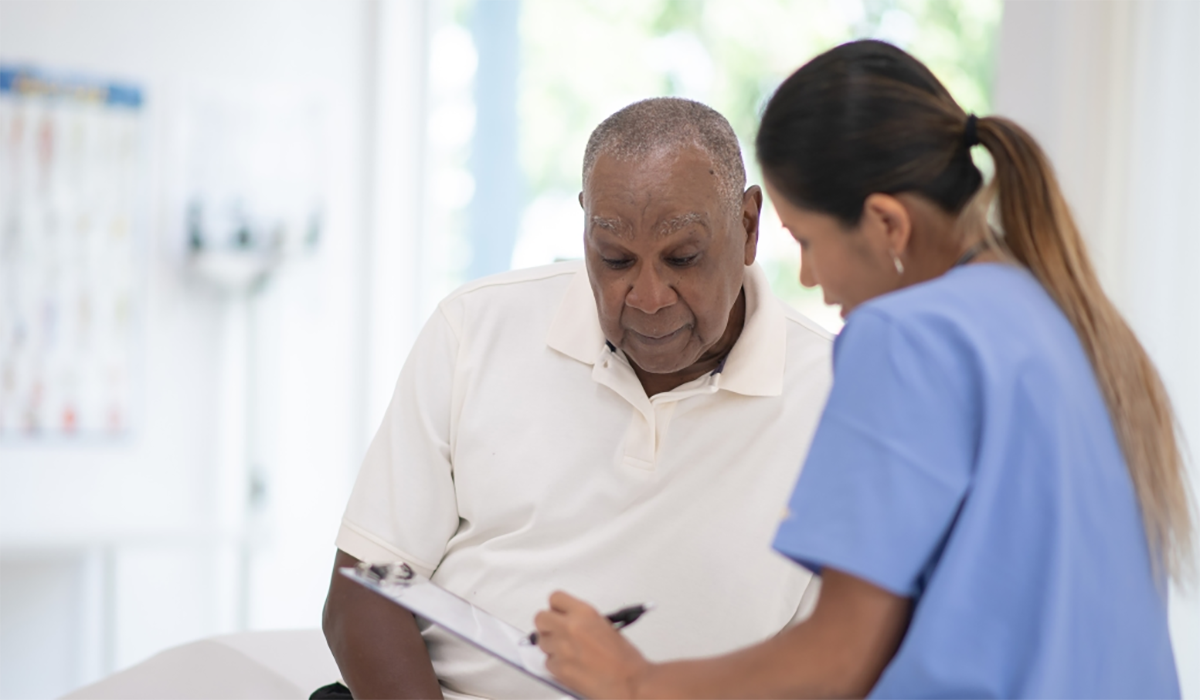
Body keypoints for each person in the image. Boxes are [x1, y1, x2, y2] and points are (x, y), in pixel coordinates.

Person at [532, 40, 1193, 700]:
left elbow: (839, 660)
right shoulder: (1062, 317)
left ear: (887, 225)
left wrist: (634, 681)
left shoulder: (907, 337)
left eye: (811, 243)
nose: (814, 282)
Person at [319, 98, 834, 700]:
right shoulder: (476, 328)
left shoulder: (838, 397)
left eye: (682, 258)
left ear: (747, 226)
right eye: (614, 260)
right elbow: (363, 593)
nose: (646, 296)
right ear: (585, 225)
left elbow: (838, 662)